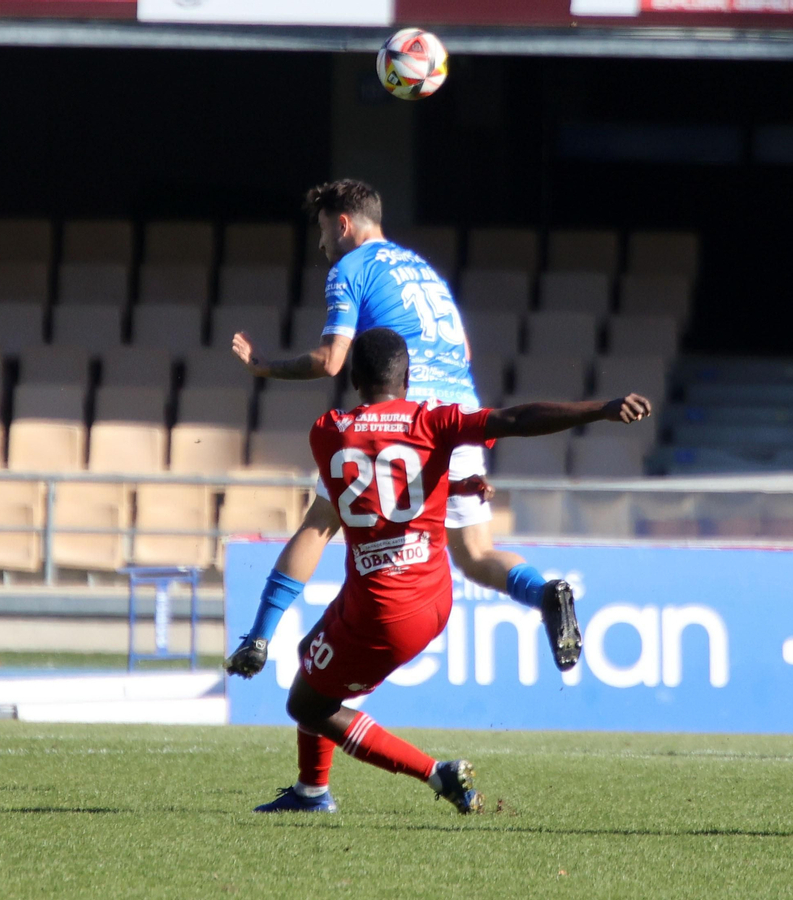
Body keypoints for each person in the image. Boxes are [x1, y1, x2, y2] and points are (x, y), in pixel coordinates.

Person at [232, 328, 652, 813]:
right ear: (408, 377)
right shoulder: (433, 420)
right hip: (434, 595)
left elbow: (364, 495)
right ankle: (311, 792)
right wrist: (599, 409)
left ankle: (434, 774)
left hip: (382, 609)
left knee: (307, 705)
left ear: (352, 378)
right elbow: (516, 419)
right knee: (312, 653)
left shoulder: (327, 431)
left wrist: (261, 630)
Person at [229, 179, 580, 675]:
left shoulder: (349, 268)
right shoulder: (423, 270)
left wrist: (266, 368)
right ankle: (546, 593)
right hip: (457, 411)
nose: (323, 244)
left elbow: (332, 361)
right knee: (477, 553)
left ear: (343, 223)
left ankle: (259, 638)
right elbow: (465, 353)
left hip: (405, 413)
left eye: (324, 230)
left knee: (321, 521)